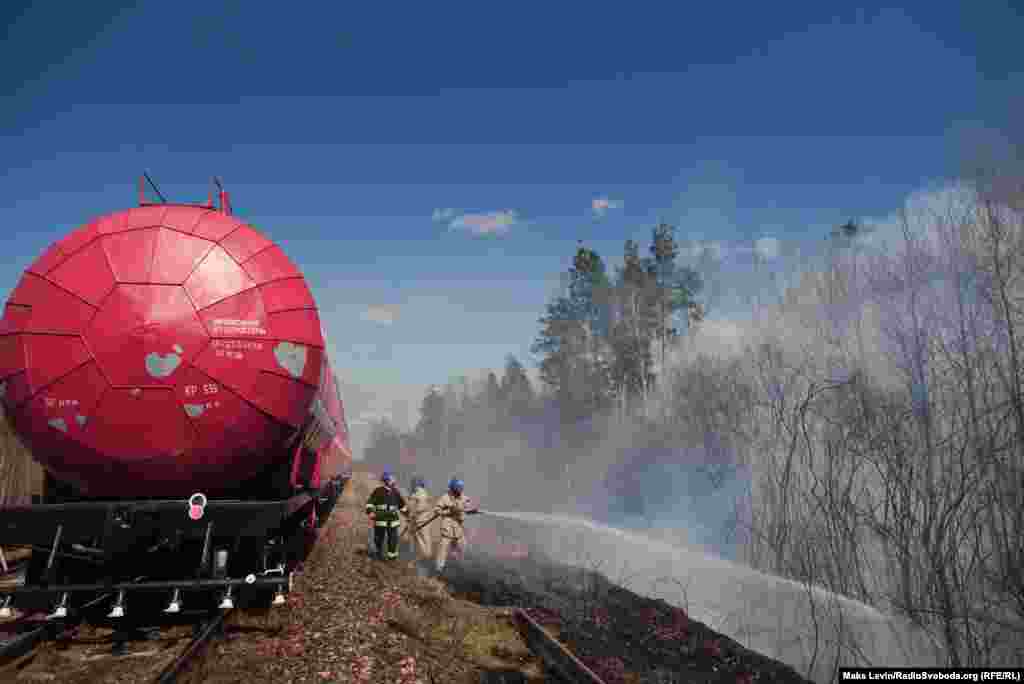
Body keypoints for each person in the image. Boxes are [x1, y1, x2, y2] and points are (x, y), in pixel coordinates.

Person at [433, 477, 477, 573]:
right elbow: (436, 510)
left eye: (461, 489)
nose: (460, 492)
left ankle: (457, 563)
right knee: (443, 547)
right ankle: (439, 568)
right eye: (458, 489)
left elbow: (468, 508)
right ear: (453, 489)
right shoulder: (445, 498)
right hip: (448, 527)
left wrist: (472, 510)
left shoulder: (464, 498)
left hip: (458, 528)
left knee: (463, 546)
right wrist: (449, 511)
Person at [365, 470, 408, 561]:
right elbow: (370, 503)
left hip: (393, 521)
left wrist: (408, 515)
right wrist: (370, 512)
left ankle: (392, 557)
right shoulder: (378, 491)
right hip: (381, 519)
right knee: (378, 538)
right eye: (392, 479)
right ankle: (377, 554)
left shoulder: (396, 492)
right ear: (387, 480)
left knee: (393, 539)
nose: (394, 480)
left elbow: (402, 505)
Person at [401, 476, 433, 570]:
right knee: (420, 548)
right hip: (418, 524)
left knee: (423, 550)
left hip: (420, 523)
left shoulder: (419, 494)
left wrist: (411, 515)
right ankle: (412, 563)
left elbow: (418, 508)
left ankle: (412, 562)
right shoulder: (419, 494)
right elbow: (415, 509)